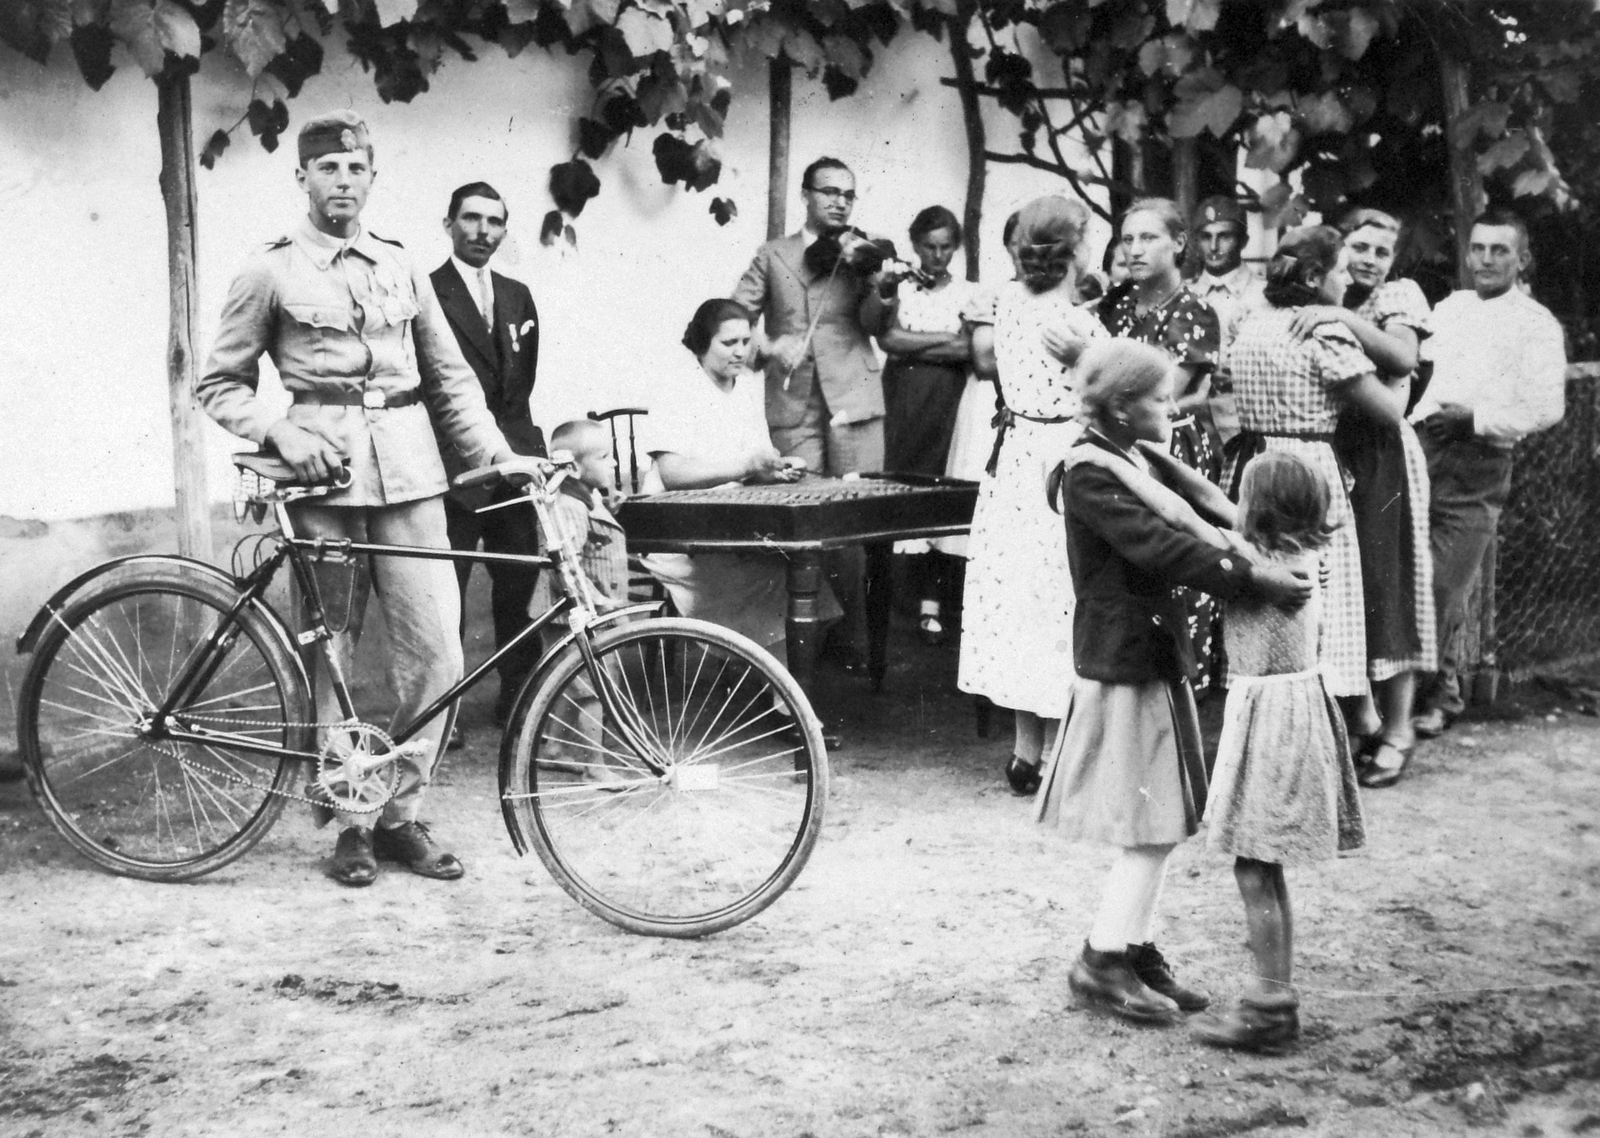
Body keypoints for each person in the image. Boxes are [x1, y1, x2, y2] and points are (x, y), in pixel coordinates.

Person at [197, 111, 515, 886]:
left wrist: (499, 459)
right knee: (332, 660)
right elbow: (218, 382)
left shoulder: (402, 267)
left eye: (356, 169)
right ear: (301, 178)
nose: (343, 181)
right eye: (328, 169)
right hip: (322, 484)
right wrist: (278, 428)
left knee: (439, 653)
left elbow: (448, 381)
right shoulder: (268, 269)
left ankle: (401, 815)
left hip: (410, 478)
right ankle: (351, 824)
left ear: (373, 178)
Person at [1035, 339, 1312, 1026]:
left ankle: (1132, 947)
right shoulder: (1089, 473)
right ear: (1122, 409)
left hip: (1155, 651)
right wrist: (1250, 576)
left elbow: (1207, 510)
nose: (1173, 407)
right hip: (1125, 656)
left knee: (1163, 820)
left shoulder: (1135, 455)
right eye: (1159, 398)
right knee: (1151, 823)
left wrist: (1269, 545)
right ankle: (1101, 961)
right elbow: (1160, 546)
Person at [1193, 451, 1364, 1054]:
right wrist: (1159, 459)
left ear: (1259, 511)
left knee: (1255, 865)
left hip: (1272, 721)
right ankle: (1276, 999)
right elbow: (1214, 504)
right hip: (1292, 711)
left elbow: (1196, 522)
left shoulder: (1259, 564)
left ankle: (1269, 1009)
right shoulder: (1296, 554)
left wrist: (1136, 470)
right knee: (1265, 867)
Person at [956, 196, 1106, 796]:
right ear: (1075, 252)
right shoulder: (1079, 326)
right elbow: (1111, 390)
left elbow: (994, 363)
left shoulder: (1009, 305)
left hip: (1016, 459)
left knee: (1023, 600)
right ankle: (1069, 750)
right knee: (1064, 598)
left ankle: (1026, 752)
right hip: (1061, 462)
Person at [1222, 225, 1407, 708]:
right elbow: (1388, 412)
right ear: (1315, 277)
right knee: (1322, 589)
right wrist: (1398, 391)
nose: (1346, 282)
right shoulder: (1323, 332)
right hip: (1308, 469)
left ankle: (1270, 688)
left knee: (1268, 578)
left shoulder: (1251, 323)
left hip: (1255, 466)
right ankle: (1331, 701)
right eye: (1340, 271)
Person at [1286, 208, 1436, 787]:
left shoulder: (1396, 298)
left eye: (1381, 249)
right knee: (1340, 597)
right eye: (1359, 247)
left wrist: (1333, 316)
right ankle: (1355, 720)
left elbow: (1402, 357)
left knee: (1384, 581)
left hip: (1380, 453)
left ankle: (1398, 727)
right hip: (1328, 449)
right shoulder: (1326, 291)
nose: (1369, 259)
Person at [1411, 209, 1567, 739]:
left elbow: (1547, 408)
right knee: (1409, 576)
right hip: (1422, 448)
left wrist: (1475, 419)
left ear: (1522, 259)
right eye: (1478, 248)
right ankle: (1441, 691)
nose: (1485, 260)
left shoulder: (1536, 324)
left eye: (1500, 250)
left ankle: (1428, 697)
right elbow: (1419, 369)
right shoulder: (1450, 308)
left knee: (1442, 587)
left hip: (1478, 461)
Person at [732, 157, 896, 662]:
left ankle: (852, 644)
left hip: (854, 400)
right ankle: (799, 649)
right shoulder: (773, 254)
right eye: (828, 191)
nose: (839, 202)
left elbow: (874, 325)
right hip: (794, 400)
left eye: (848, 194)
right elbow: (732, 317)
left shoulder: (862, 253)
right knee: (802, 524)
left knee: (856, 523)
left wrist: (883, 290)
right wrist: (769, 346)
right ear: (806, 194)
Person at [641, 299, 837, 667]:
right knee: (772, 580)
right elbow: (672, 474)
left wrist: (775, 468)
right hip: (677, 529)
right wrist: (744, 465)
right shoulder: (678, 388)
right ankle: (778, 692)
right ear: (702, 343)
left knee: (798, 577)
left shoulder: (746, 388)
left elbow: (756, 460)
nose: (740, 351)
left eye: (746, 342)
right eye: (728, 343)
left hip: (735, 520)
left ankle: (779, 691)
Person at [430, 182, 545, 729]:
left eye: (494, 221)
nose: (482, 231)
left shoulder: (517, 294)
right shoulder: (429, 292)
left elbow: (519, 387)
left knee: (519, 588)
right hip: (453, 470)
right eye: (471, 219)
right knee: (443, 593)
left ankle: (519, 702)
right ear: (448, 223)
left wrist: (523, 455)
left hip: (513, 470)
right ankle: (441, 716)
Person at [1100, 198, 1225, 694]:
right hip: (1120, 445)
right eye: (1127, 239)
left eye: (1148, 238)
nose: (1134, 250)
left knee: (1178, 563)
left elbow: (1162, 392)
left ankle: (1182, 694)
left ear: (1178, 243)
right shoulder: (1115, 306)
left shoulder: (1194, 311)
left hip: (1172, 451)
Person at [879, 204, 977, 644]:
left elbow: (967, 352)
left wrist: (915, 347)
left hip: (948, 400)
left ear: (955, 248)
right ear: (916, 246)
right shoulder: (902, 288)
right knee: (902, 486)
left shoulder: (969, 293)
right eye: (929, 247)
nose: (937, 256)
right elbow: (890, 339)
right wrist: (943, 339)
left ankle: (932, 604)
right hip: (902, 398)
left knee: (942, 487)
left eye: (945, 248)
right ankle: (898, 604)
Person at [528, 419, 631, 785]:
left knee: (570, 683)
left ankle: (554, 750)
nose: (613, 464)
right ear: (572, 467)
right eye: (604, 457)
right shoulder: (570, 505)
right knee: (592, 691)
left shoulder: (583, 496)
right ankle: (595, 767)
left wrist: (605, 508)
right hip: (580, 612)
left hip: (574, 611)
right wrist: (597, 600)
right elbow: (566, 563)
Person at [1188, 195, 1266, 353]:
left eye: (1224, 236)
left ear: (1243, 241)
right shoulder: (1184, 295)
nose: (1213, 247)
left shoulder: (1264, 294)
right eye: (1206, 237)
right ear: (1196, 241)